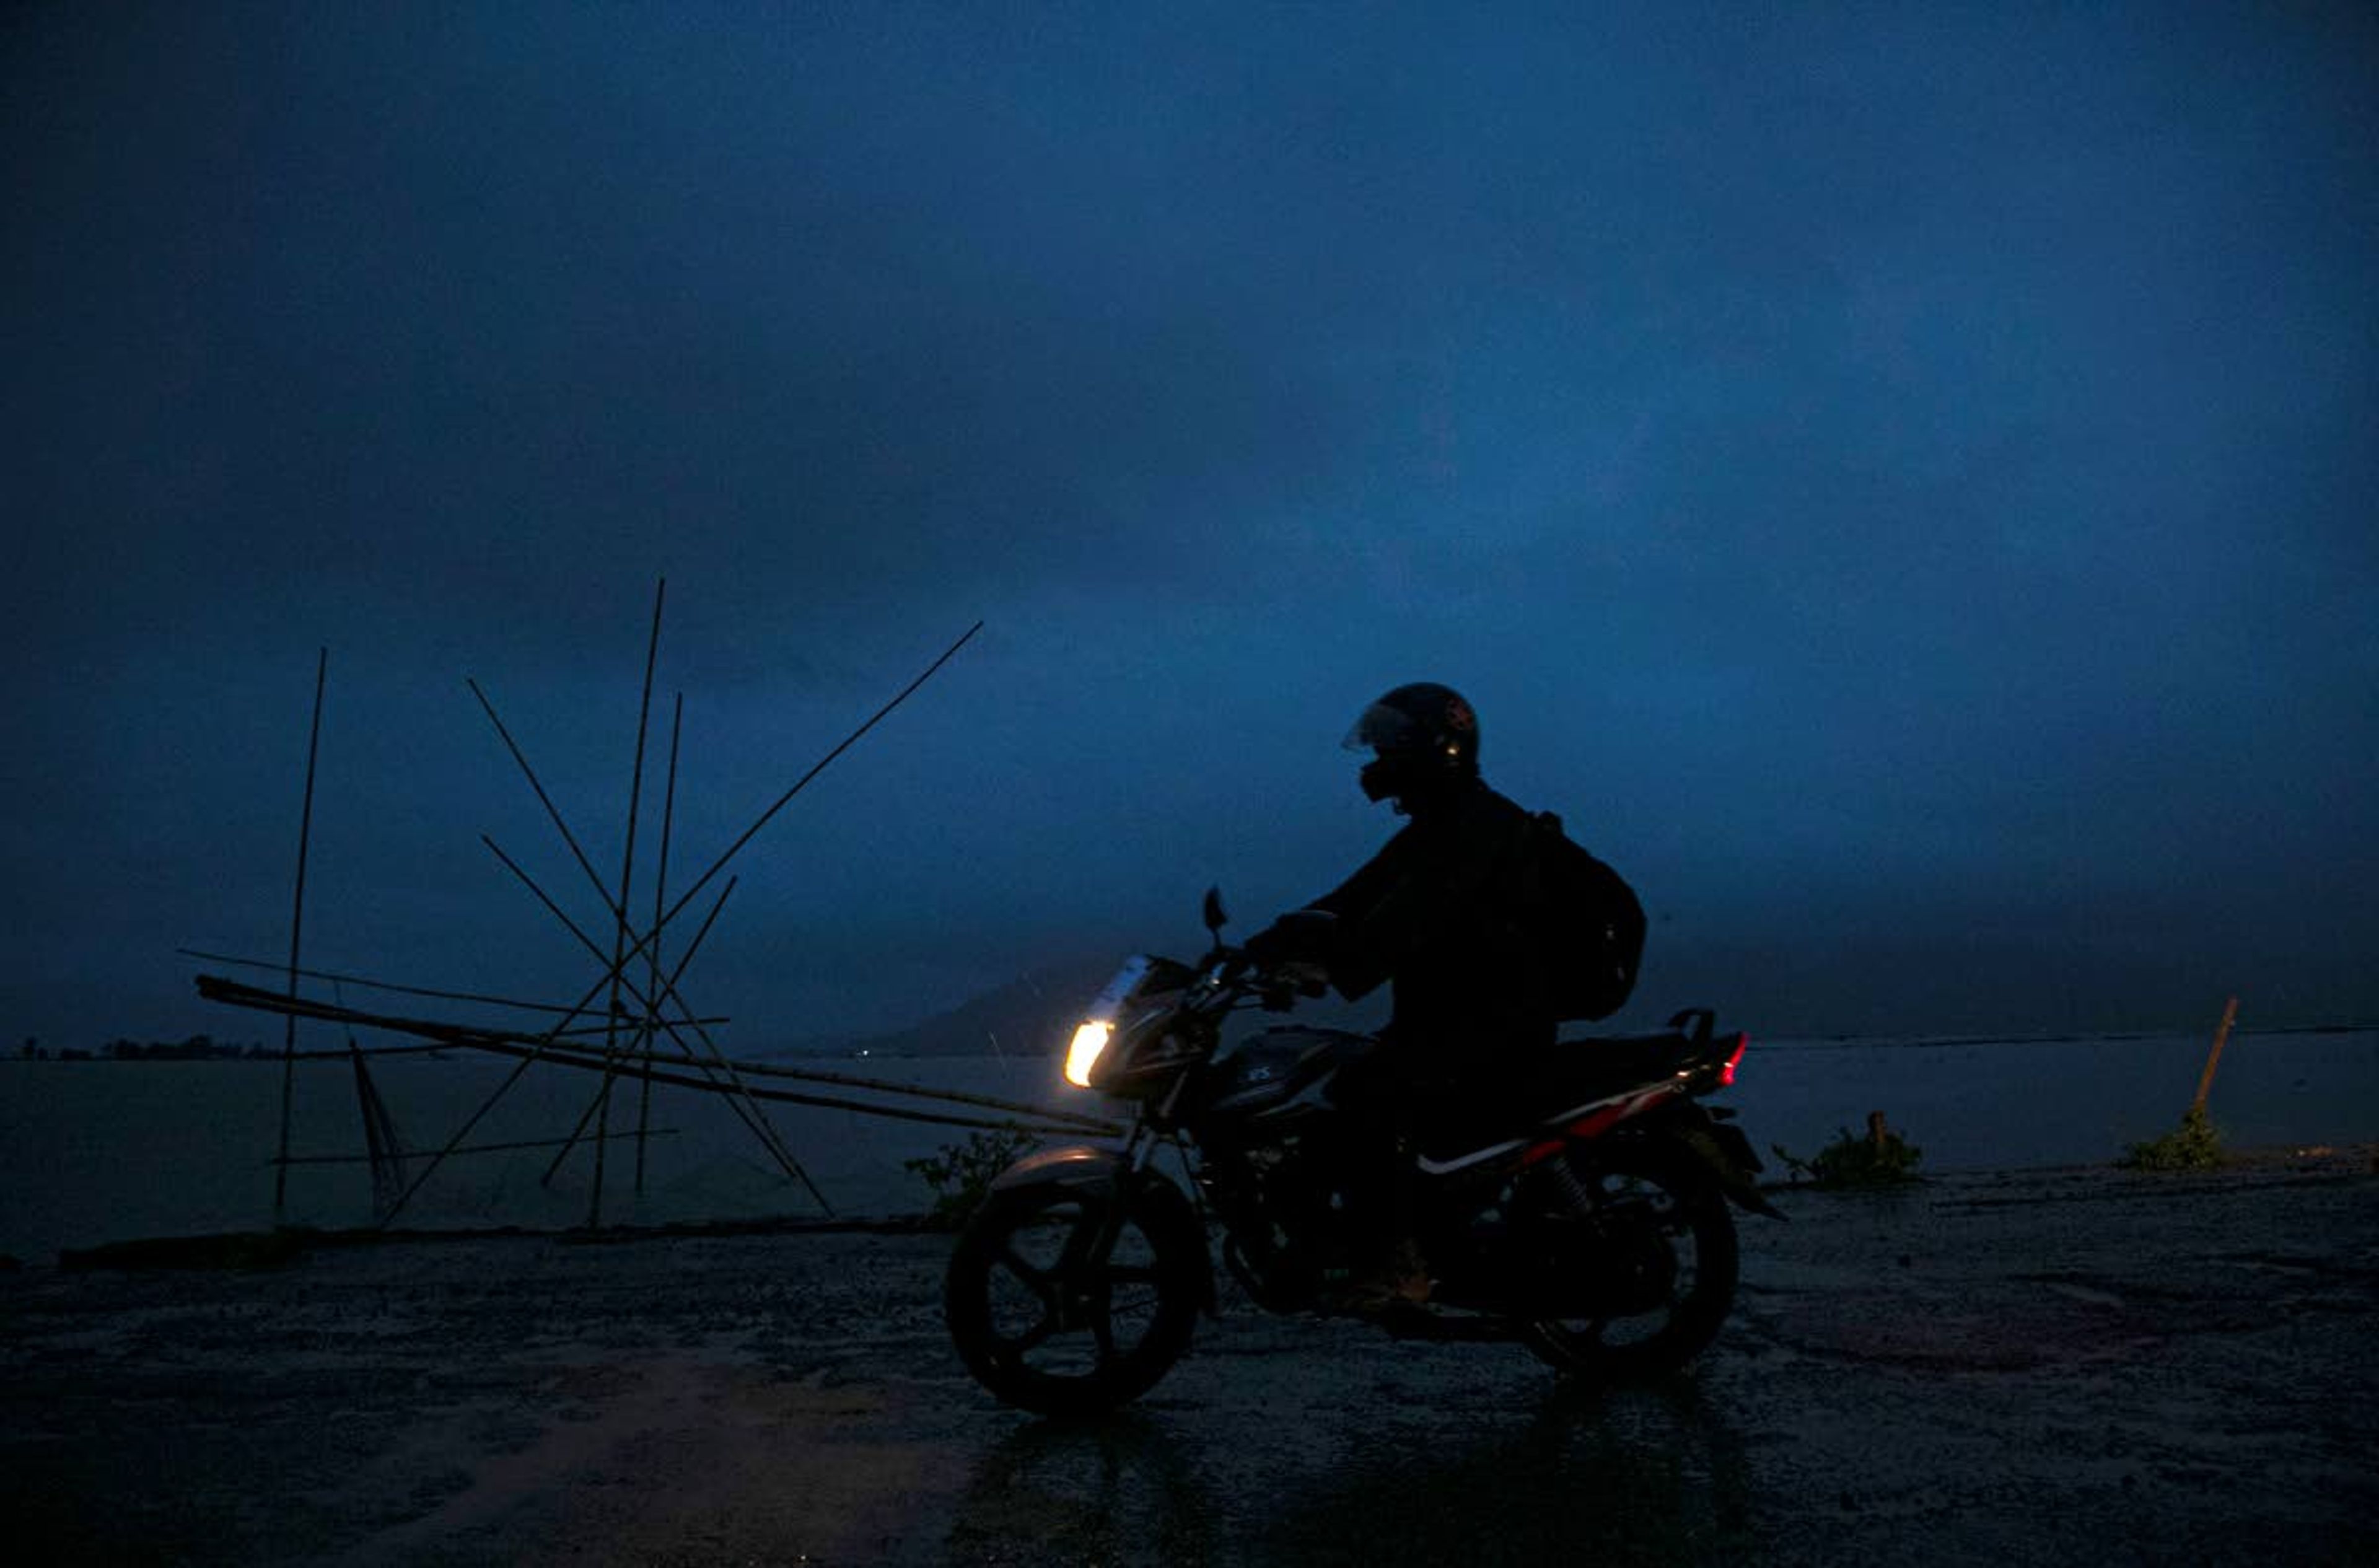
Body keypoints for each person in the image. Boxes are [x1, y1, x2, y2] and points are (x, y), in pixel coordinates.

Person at [1245, 681, 1556, 1305]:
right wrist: (1258, 950)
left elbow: (1408, 922)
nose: (1376, 764)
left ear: (1435, 751)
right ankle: (1357, 1237)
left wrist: (1333, 968)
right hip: (1450, 1017)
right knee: (1339, 1093)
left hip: (1495, 1020)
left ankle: (1399, 1260)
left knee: (1371, 1092)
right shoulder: (1436, 826)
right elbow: (1352, 897)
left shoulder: (1478, 827)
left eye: (1390, 749)